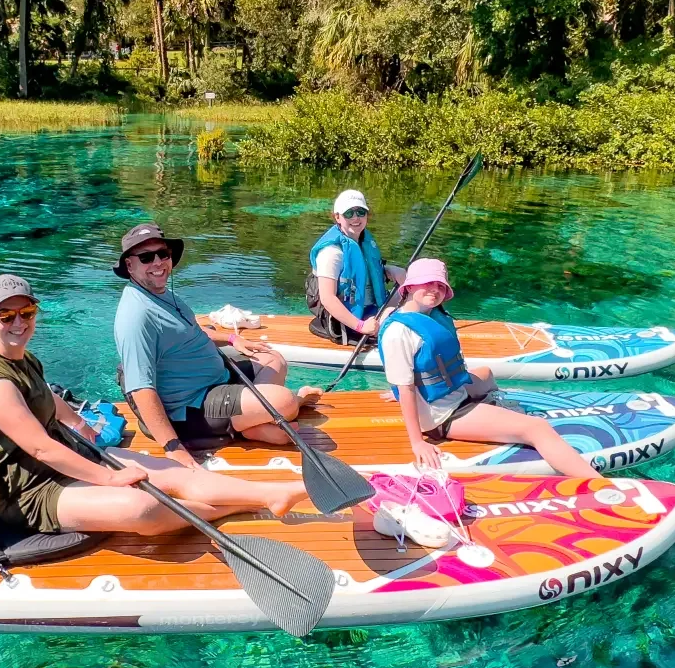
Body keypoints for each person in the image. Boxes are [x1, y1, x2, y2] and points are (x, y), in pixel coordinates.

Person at [0, 273, 306, 541]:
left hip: (68, 463)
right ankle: (245, 504)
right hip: (34, 493)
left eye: (26, 311)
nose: (19, 322)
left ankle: (271, 493)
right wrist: (110, 477)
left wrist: (81, 425)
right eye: (6, 315)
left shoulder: (23, 359)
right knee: (143, 509)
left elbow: (47, 400)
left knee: (177, 475)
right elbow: (40, 447)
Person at [113, 224, 320, 460]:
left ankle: (252, 423)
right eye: (146, 257)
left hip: (217, 380)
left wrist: (233, 338)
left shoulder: (161, 293)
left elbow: (191, 331)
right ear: (130, 265)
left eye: (163, 254)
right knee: (284, 402)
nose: (158, 262)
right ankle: (280, 409)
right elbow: (140, 387)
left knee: (272, 359)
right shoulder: (135, 316)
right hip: (194, 406)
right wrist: (175, 450)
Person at [377, 258, 596, 478]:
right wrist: (417, 442)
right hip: (443, 415)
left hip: (454, 391)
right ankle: (604, 486)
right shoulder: (399, 332)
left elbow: (410, 375)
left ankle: (491, 406)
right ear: (410, 286)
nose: (435, 289)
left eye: (441, 285)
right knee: (537, 428)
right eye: (428, 283)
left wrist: (402, 389)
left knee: (487, 374)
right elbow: (406, 388)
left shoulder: (427, 313)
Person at [308, 189, 405, 343]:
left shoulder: (364, 241)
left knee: (414, 287)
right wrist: (361, 326)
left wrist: (389, 271)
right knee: (404, 322)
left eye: (361, 212)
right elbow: (327, 298)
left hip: (374, 308)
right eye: (349, 213)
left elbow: (365, 274)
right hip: (350, 320)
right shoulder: (331, 253)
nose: (356, 218)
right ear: (337, 217)